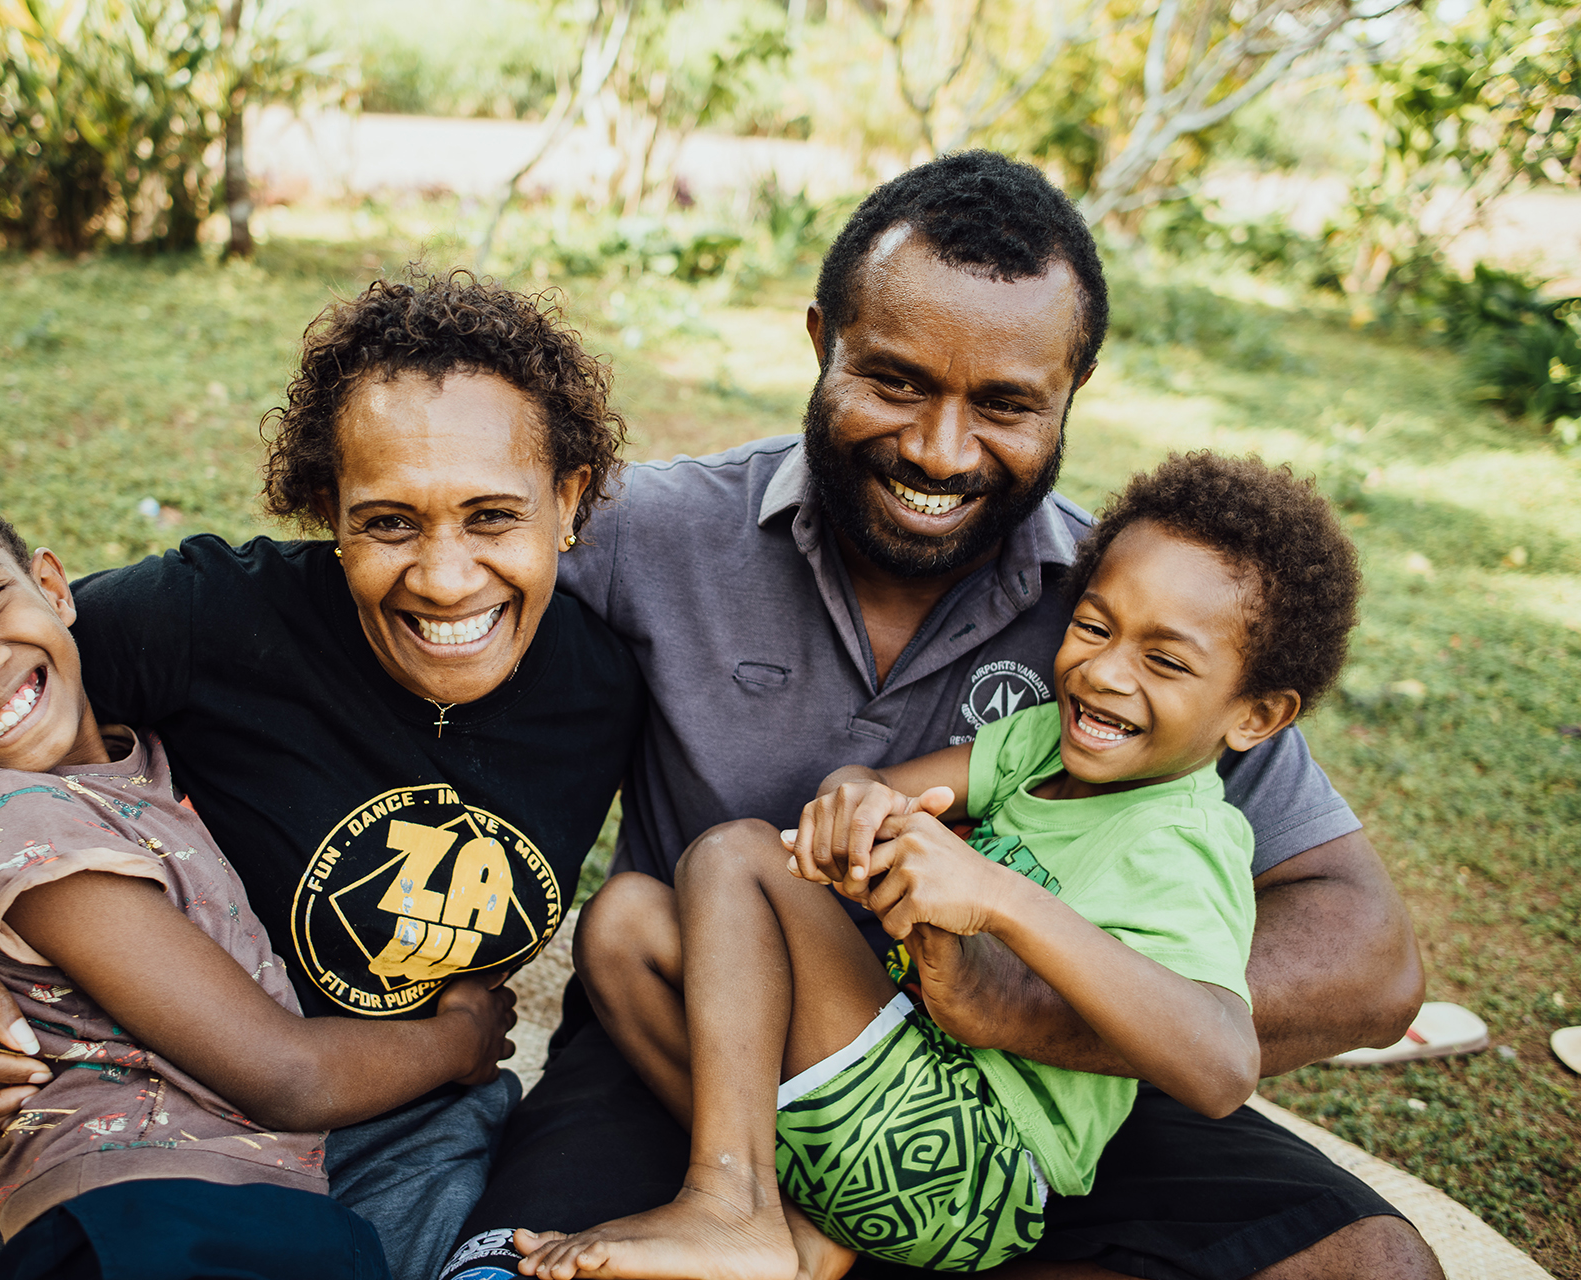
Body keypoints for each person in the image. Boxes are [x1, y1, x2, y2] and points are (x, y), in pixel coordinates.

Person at [444, 152, 1438, 1280]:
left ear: (1072, 389)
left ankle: (832, 1234)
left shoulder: (1136, 611)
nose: (939, 450)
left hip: (1019, 1101)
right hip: (696, 1039)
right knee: (519, 1263)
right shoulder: (654, 532)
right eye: (897, 381)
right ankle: (771, 1216)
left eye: (1005, 403)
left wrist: (1011, 1001)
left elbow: (1370, 961)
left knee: (1367, 1264)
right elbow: (436, 571)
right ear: (822, 342)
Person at [0, 272, 646, 1280]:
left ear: (567, 499)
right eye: (389, 522)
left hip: (415, 1116)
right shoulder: (212, 619)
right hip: (150, 1122)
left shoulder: (609, 690)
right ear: (328, 511)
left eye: (492, 517)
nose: (444, 577)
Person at [514, 451, 1361, 1280]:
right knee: (623, 920)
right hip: (880, 1106)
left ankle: (728, 1203)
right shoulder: (1040, 743)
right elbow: (881, 786)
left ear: (1256, 716)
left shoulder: (1185, 840)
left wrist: (999, 898)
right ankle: (791, 1221)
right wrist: (854, 800)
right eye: (1094, 626)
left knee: (737, 853)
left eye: (1165, 661)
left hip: (973, 1165)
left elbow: (1222, 1069)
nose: (1105, 672)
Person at [0, 460, 508, 1279]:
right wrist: (459, 1041)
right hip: (146, 1221)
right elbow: (286, 1075)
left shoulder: (128, 756)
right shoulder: (16, 823)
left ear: (53, 586)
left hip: (223, 1200)